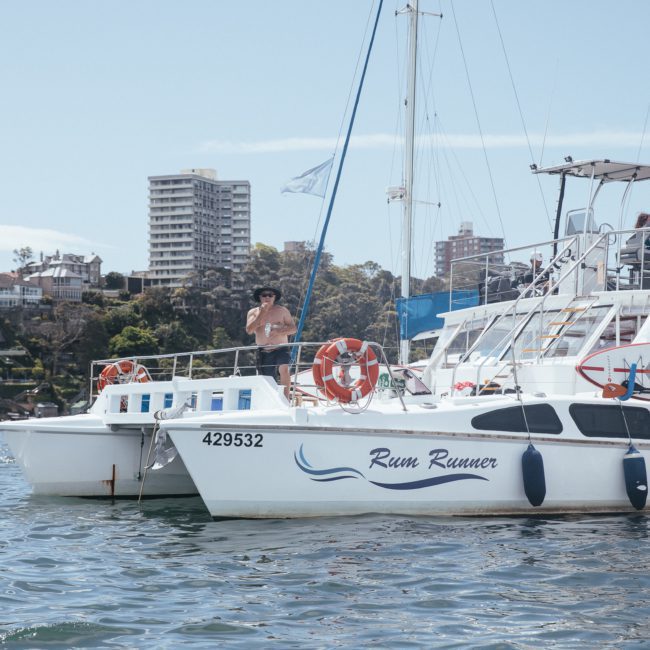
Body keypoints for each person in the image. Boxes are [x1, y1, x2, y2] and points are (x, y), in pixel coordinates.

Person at [245, 286, 297, 399]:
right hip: (263, 350)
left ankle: (285, 399)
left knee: (284, 369)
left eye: (270, 295)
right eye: (264, 295)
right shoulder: (253, 312)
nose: (267, 297)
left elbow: (293, 329)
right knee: (268, 378)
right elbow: (249, 330)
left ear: (274, 297)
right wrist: (262, 312)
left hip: (281, 348)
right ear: (260, 297)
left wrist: (280, 331)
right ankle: (271, 400)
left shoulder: (282, 310)